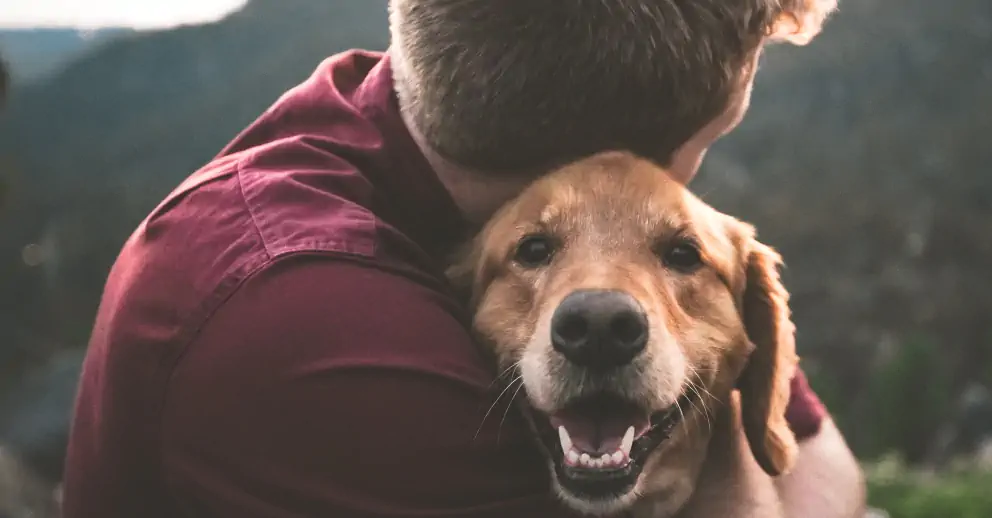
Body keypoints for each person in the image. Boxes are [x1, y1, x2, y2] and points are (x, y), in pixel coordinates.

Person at [62, 0, 865, 516]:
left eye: (677, 245)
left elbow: (819, 457)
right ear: (618, 154)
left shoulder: (404, 119)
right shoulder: (305, 325)